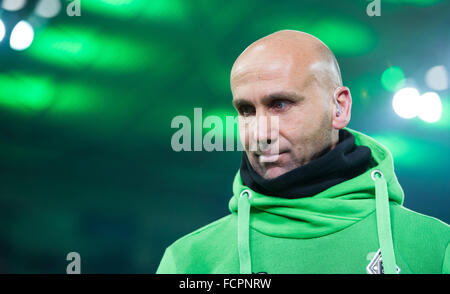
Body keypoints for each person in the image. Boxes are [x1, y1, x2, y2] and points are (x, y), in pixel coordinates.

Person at [156, 30, 450, 274]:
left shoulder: (436, 250)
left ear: (339, 108)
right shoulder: (190, 263)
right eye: (246, 110)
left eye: (280, 104)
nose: (260, 133)